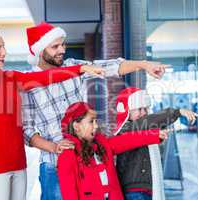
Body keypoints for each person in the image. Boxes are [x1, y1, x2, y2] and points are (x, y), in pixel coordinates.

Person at [21, 22, 169, 200]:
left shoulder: (73, 66)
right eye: (55, 46)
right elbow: (27, 131)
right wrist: (55, 147)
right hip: (53, 165)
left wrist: (143, 65)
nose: (62, 50)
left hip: (85, 161)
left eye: (63, 44)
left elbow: (110, 67)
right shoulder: (27, 83)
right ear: (40, 51)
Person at [0, 28, 104, 200]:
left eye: (4, 47)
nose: (4, 53)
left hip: (19, 165)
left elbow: (45, 77)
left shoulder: (10, 77)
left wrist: (81, 68)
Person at [57, 102, 169, 200]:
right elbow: (69, 193)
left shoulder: (103, 145)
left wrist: (154, 134)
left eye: (96, 121)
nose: (96, 126)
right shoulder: (67, 154)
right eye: (91, 122)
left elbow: (128, 140)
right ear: (77, 126)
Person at [114, 87, 198, 200]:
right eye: (139, 109)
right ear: (126, 110)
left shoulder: (141, 128)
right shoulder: (125, 128)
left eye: (146, 108)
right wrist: (177, 112)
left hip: (144, 190)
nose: (144, 113)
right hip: (135, 192)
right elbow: (150, 121)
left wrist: (157, 136)